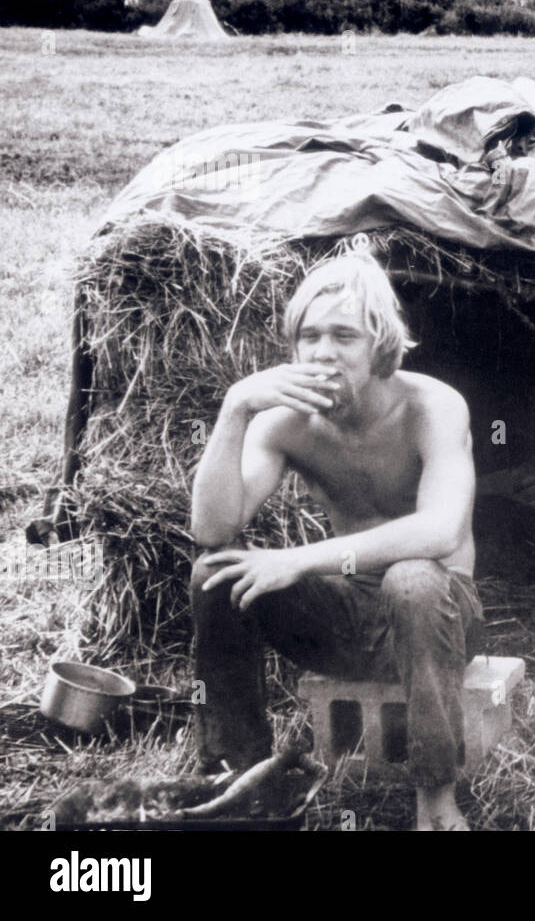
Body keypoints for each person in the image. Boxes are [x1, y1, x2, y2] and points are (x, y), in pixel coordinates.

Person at [188, 250, 483, 831]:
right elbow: (211, 530)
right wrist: (236, 408)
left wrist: (297, 560)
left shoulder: (433, 406)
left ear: (380, 342)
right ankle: (243, 779)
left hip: (440, 616)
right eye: (309, 336)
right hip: (349, 620)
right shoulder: (285, 421)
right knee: (214, 572)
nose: (323, 352)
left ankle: (437, 804)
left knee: (413, 576)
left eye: (343, 336)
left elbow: (441, 530)